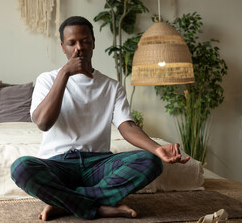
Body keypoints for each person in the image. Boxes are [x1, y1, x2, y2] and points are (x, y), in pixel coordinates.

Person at [11, 16, 190, 221]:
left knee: (151, 161)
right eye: (72, 43)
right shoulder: (47, 79)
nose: (79, 47)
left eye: (85, 41)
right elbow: (43, 122)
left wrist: (157, 148)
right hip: (57, 163)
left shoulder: (111, 86)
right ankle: (98, 206)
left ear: (93, 42)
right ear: (63, 47)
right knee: (21, 168)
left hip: (97, 163)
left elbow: (127, 126)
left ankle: (65, 203)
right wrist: (64, 74)